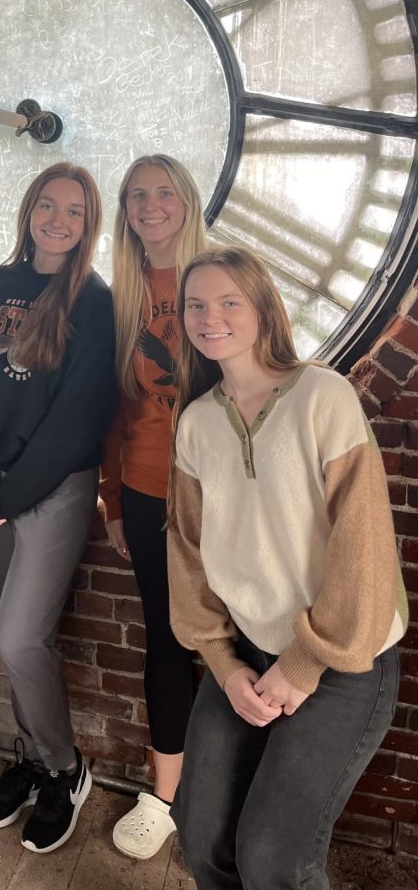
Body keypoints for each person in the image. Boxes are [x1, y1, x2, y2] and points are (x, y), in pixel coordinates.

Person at [167, 247, 407, 890]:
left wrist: (301, 666)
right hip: (243, 655)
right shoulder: (195, 425)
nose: (208, 317)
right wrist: (224, 662)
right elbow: (188, 558)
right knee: (199, 832)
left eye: (227, 302)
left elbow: (364, 551)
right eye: (195, 305)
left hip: (342, 662)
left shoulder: (322, 397)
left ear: (263, 309)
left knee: (273, 858)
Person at [0, 163, 116, 855]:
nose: (58, 219)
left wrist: (10, 492)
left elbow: (80, 417)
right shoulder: (1, 284)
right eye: (47, 206)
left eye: (74, 212)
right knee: (18, 637)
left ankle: (63, 767)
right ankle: (30, 758)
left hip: (51, 489)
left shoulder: (93, 299)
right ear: (28, 211)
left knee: (18, 639)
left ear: (89, 226)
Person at [98, 155, 207, 860]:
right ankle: (163, 797)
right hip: (143, 492)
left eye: (163, 192)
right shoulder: (121, 297)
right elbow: (113, 409)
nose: (149, 205)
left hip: (221, 499)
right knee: (166, 641)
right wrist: (110, 501)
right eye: (136, 196)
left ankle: (225, 787)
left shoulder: (222, 278)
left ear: (186, 201)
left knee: (239, 637)